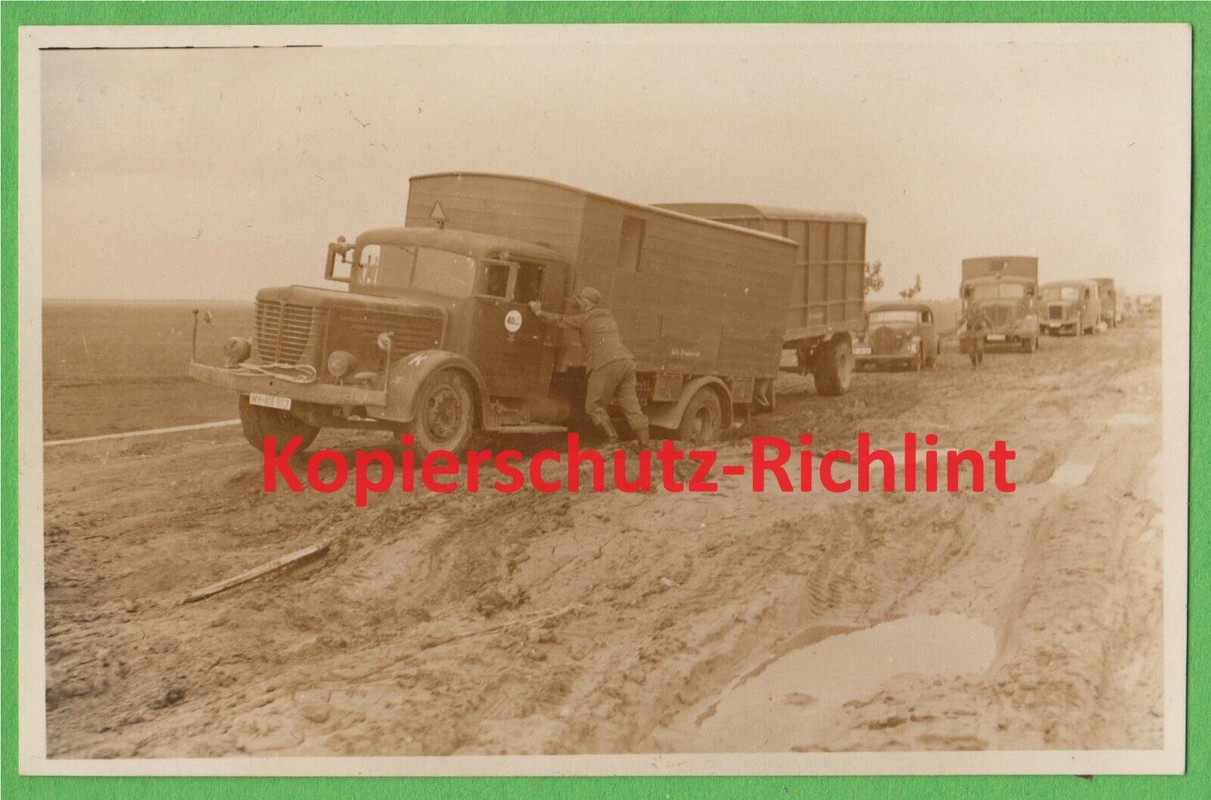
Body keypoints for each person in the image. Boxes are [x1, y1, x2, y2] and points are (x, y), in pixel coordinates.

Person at [529, 287, 651, 447]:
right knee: (631, 406)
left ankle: (613, 440)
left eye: (580, 300)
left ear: (585, 302)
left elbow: (560, 320)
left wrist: (539, 312)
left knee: (593, 406)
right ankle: (645, 446)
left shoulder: (585, 318)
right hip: (626, 361)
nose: (578, 303)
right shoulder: (608, 316)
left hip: (605, 363)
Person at [959, 305, 995, 369]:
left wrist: (992, 328)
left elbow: (987, 320)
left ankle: (980, 361)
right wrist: (959, 329)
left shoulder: (982, 313)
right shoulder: (967, 313)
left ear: (978, 307)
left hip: (979, 333)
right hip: (969, 333)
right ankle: (974, 364)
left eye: (975, 306)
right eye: (972, 307)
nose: (974, 308)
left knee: (980, 348)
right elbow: (961, 321)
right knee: (971, 351)